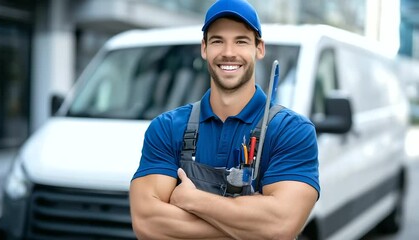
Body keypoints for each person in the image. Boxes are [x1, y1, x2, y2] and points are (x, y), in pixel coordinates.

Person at [129, 0, 320, 239]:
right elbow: (148, 223)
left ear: (259, 49)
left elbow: (279, 227)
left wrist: (192, 199)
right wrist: (250, 228)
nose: (229, 53)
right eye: (218, 40)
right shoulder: (167, 128)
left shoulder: (291, 131)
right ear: (204, 49)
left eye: (241, 41)